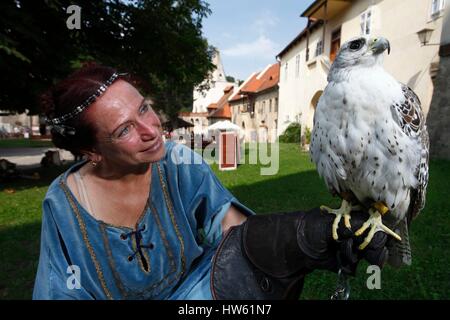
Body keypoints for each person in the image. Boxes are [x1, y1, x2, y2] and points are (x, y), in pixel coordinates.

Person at [33, 64, 389, 300]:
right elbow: (60, 290)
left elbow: (231, 228)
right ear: (91, 151)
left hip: (195, 300)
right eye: (124, 129)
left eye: (144, 108)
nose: (150, 129)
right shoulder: (64, 203)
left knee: (244, 260)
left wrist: (305, 237)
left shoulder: (177, 160)